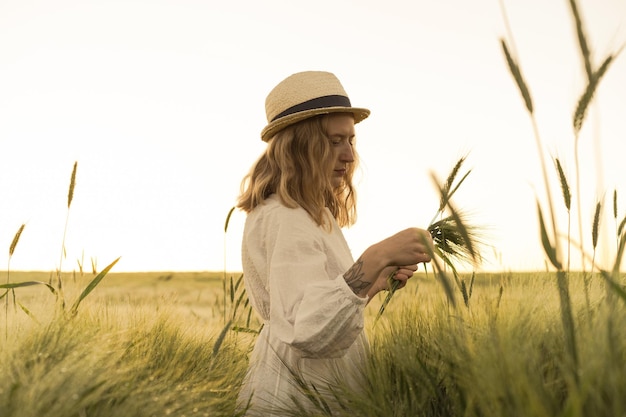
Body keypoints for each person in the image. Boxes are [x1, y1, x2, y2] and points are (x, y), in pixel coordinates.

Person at [235, 70, 433, 416]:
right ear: (300, 144)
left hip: (321, 383)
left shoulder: (309, 212)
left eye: (350, 141)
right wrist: (376, 257)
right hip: (300, 393)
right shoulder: (284, 216)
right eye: (334, 141)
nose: (349, 156)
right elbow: (304, 326)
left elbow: (323, 307)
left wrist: (372, 283)